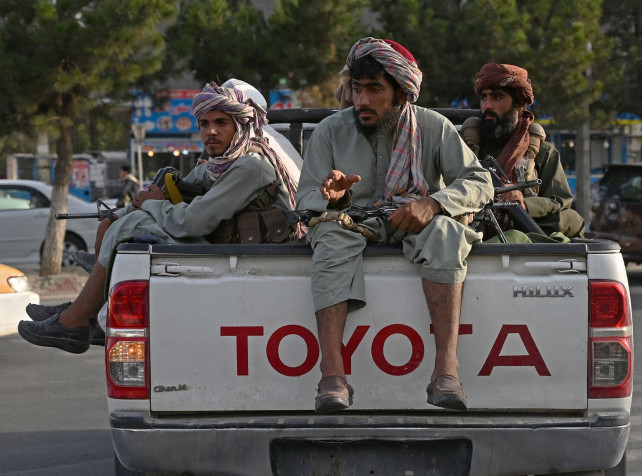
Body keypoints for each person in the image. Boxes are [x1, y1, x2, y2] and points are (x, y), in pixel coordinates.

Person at [19, 81, 299, 354]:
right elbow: (180, 189)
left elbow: (193, 222)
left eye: (221, 123)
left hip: (250, 261)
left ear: (241, 124)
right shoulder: (221, 163)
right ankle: (84, 312)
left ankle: (76, 320)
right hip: (226, 253)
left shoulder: (251, 165)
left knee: (133, 224)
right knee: (123, 222)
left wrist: (149, 207)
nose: (211, 131)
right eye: (204, 124)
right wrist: (116, 215)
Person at [297, 37, 493, 414]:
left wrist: (434, 202)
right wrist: (335, 198)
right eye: (357, 89)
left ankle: (446, 370)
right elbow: (306, 199)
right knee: (331, 233)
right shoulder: (329, 131)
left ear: (402, 94)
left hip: (411, 218)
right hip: (352, 222)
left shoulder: (433, 127)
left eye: (374, 89)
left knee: (446, 232)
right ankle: (332, 375)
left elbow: (480, 182)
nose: (362, 101)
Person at [460, 63, 585, 238]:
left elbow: (561, 200)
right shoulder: (463, 148)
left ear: (519, 104)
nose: (487, 105)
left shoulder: (542, 151)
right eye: (483, 97)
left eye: (497, 97)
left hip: (525, 238)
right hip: (474, 233)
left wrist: (525, 204)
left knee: (570, 219)